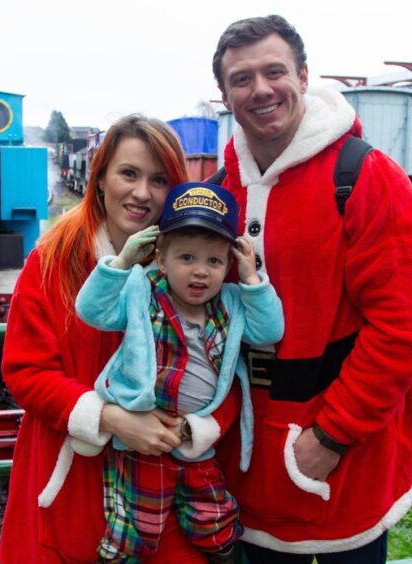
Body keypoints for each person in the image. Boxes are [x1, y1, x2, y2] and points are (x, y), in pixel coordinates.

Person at [210, 15, 412, 563]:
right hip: (248, 463)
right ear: (224, 94)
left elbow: (404, 331)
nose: (260, 89)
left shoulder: (367, 178)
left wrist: (331, 437)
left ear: (304, 76)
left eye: (274, 71)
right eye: (241, 79)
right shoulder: (220, 193)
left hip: (343, 459)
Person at [0, 115, 221, 563]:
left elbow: (226, 363)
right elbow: (26, 371)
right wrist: (112, 419)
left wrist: (189, 429)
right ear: (99, 178)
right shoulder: (53, 260)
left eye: (158, 179)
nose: (141, 193)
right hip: (72, 478)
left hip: (165, 482)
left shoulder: (194, 269)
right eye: (129, 174)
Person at [51, 181, 284, 562]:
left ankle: (223, 551)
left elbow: (269, 330)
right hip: (144, 434)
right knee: (139, 522)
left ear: (228, 265)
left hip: (195, 437)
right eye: (187, 258)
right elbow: (93, 311)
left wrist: (252, 278)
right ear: (161, 258)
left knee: (213, 515)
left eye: (214, 261)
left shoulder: (231, 302)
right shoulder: (144, 290)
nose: (200, 273)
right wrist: (122, 263)